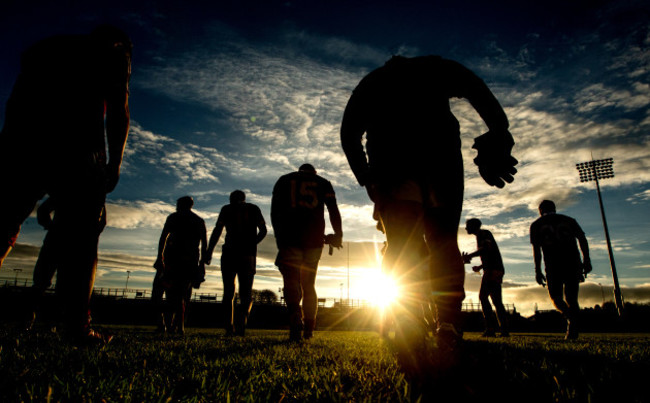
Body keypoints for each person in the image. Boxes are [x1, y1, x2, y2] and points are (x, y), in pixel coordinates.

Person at [340, 55, 518, 369]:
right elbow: (477, 88)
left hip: (392, 155)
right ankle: (447, 322)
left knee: (402, 241)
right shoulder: (434, 67)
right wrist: (498, 130)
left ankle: (410, 318)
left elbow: (348, 133)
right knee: (443, 240)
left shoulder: (374, 81)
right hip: (439, 153)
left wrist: (366, 177)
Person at [0, 25, 132, 344]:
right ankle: (77, 326)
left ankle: (70, 322)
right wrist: (114, 162)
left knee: (4, 224)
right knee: (83, 240)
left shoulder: (44, 48)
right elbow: (118, 110)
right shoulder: (114, 54)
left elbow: (15, 102)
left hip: (19, 144)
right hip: (78, 151)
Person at [271, 164, 343, 341]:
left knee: (291, 280)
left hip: (290, 237)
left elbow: (275, 211)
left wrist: (280, 236)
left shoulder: (284, 180)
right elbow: (333, 209)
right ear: (314, 172)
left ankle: (295, 314)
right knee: (309, 285)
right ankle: (309, 329)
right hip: (314, 239)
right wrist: (338, 235)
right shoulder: (323, 182)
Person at [30, 197, 107, 328]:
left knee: (45, 282)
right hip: (70, 243)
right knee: (52, 283)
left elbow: (43, 210)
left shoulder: (67, 193)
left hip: (61, 240)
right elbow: (102, 222)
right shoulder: (89, 197)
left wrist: (50, 226)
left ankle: (39, 320)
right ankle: (44, 320)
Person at [204, 190, 267, 336]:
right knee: (245, 292)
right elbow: (263, 230)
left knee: (228, 292)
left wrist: (209, 251)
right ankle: (241, 327)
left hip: (230, 253)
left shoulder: (226, 209)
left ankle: (229, 327)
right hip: (247, 254)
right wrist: (252, 243)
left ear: (231, 198)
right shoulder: (253, 208)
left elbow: (217, 230)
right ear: (244, 199)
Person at [530, 200, 591, 340]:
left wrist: (538, 270)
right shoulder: (569, 220)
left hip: (553, 265)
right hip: (573, 262)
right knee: (572, 298)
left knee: (556, 297)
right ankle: (573, 328)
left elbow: (536, 250)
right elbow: (582, 239)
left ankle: (571, 319)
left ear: (540, 210)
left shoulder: (537, 225)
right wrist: (586, 259)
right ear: (555, 208)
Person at [154, 196, 207, 335]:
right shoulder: (198, 220)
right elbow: (204, 244)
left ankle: (166, 324)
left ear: (182, 204)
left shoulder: (174, 218)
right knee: (183, 295)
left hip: (173, 259)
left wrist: (160, 256)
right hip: (189, 261)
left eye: (178, 204)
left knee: (166, 293)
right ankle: (178, 326)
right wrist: (202, 263)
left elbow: (163, 237)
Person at [463, 218, 509, 337]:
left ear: (473, 226)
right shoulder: (483, 235)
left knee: (483, 297)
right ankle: (503, 330)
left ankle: (490, 328)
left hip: (492, 271)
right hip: (495, 269)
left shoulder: (483, 234)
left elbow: (486, 249)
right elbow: (490, 253)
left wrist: (470, 256)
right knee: (497, 301)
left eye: (467, 225)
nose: (466, 228)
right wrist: (480, 266)